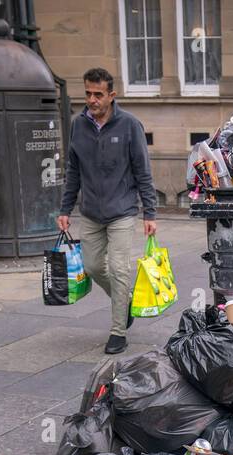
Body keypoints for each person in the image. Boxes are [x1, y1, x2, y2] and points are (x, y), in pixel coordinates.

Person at [57, 67, 158, 355]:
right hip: (90, 211)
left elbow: (143, 171)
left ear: (111, 95)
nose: (92, 99)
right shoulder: (78, 125)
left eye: (98, 94)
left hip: (122, 211)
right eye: (88, 93)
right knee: (91, 266)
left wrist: (149, 213)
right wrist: (66, 208)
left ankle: (118, 331)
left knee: (118, 268)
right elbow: (73, 169)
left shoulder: (129, 125)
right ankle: (124, 303)